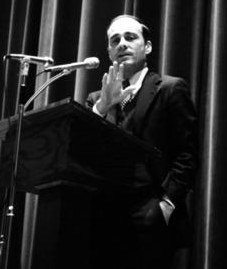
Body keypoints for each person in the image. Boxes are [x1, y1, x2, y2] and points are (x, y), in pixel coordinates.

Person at [85, 15, 198, 269]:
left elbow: (187, 155)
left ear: (147, 47)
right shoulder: (96, 100)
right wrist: (103, 107)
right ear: (109, 51)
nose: (122, 44)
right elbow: (82, 151)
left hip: (151, 216)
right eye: (115, 40)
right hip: (103, 220)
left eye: (130, 37)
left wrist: (165, 207)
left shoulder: (170, 88)